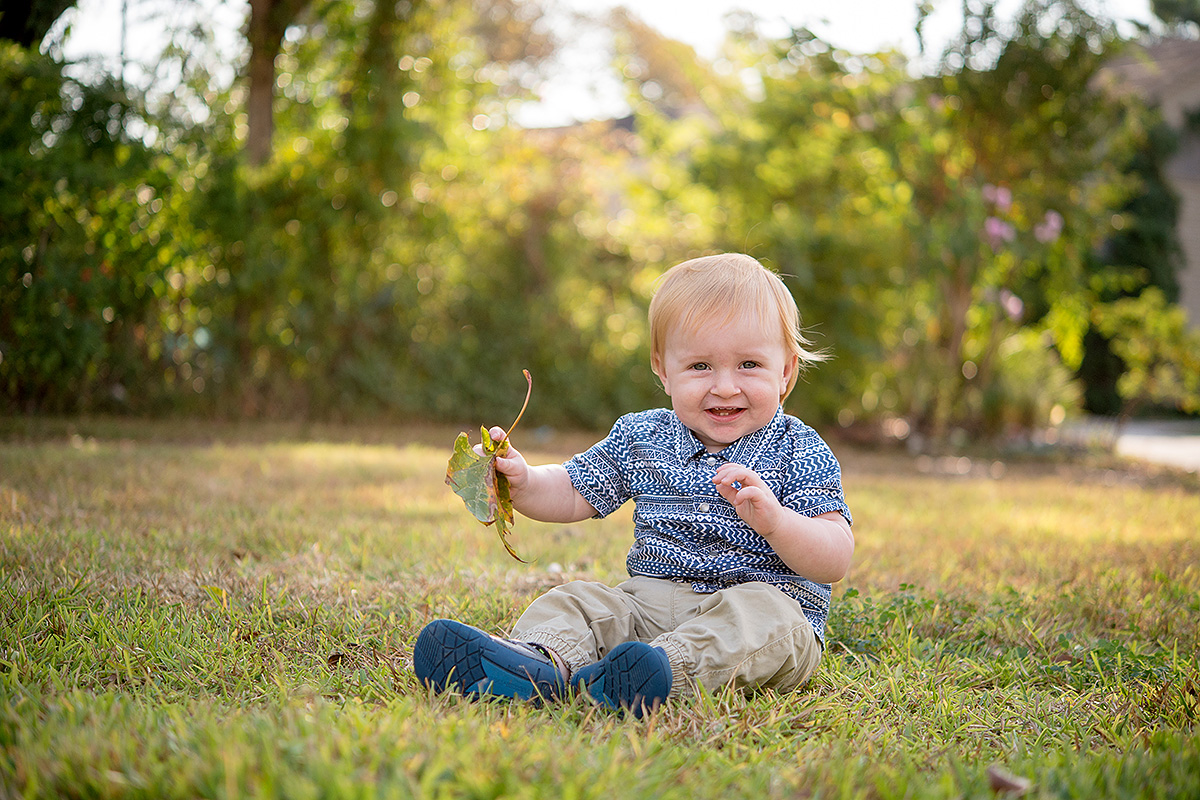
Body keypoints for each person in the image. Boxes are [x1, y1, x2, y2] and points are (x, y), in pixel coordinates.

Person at [413, 253, 854, 717]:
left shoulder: (800, 448)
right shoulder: (642, 436)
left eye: (748, 365)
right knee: (579, 599)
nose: (725, 386)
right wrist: (523, 482)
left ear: (785, 372)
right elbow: (574, 488)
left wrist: (778, 522)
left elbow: (834, 556)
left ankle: (664, 672)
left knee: (768, 620)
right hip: (647, 607)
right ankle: (542, 663)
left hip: (755, 609)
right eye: (700, 366)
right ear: (663, 370)